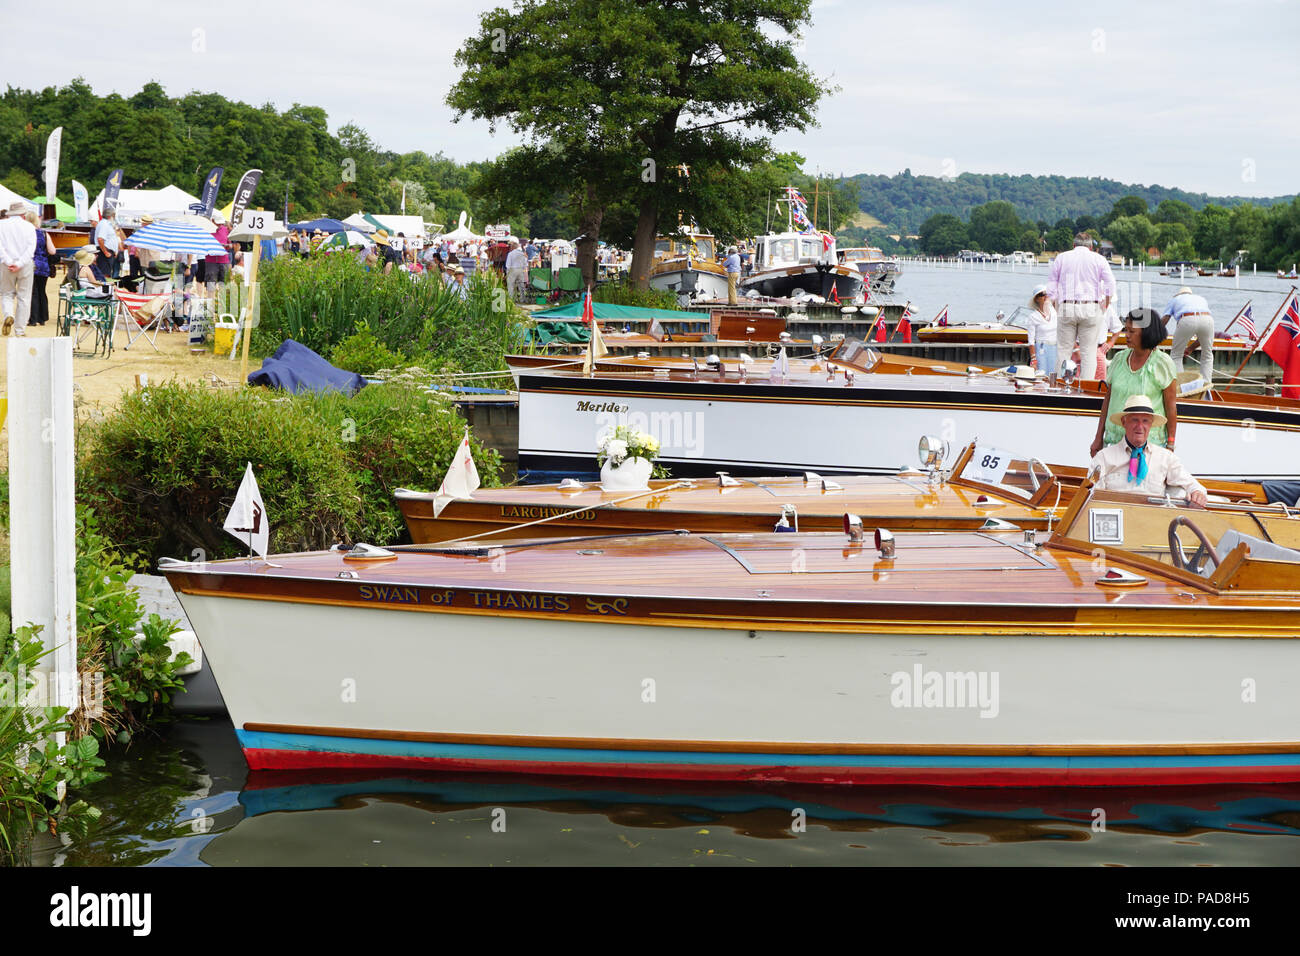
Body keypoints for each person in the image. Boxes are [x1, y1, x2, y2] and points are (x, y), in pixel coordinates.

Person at [1090, 307, 1178, 458]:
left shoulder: (1162, 363)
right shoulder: (1119, 359)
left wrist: (1170, 444)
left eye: (1132, 332)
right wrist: (1099, 437)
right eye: (1126, 330)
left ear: (1146, 333)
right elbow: (1108, 400)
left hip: (1149, 445)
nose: (1126, 336)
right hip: (1114, 442)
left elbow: (1171, 407)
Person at [1089, 395, 1207, 507]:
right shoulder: (1103, 458)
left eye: (1145, 421)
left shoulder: (1166, 458)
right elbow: (1090, 493)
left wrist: (1197, 493)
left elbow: (1194, 486)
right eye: (1135, 420)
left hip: (1153, 522)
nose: (1140, 426)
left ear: (1151, 425)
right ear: (1124, 422)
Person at [1047, 232, 1115, 380]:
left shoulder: (1062, 258)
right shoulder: (1099, 259)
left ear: (1074, 245)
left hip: (1067, 305)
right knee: (1089, 353)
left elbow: (1051, 286)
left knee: (1063, 351)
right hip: (1091, 306)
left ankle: (1059, 383)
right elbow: (1110, 283)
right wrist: (1106, 303)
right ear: (1091, 247)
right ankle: (1085, 387)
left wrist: (1055, 305)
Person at [1163, 286, 1215, 384]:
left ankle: (1181, 386)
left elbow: (1165, 318)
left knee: (1176, 355)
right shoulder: (1201, 299)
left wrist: (1152, 334)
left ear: (1179, 294)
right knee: (1208, 355)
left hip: (1187, 319)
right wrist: (1190, 348)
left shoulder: (1175, 299)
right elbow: (1201, 332)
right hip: (1208, 319)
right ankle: (1206, 386)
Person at [0, 202, 36, 336]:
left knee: (6, 293)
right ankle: (20, 330)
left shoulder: (1, 225)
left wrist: (9, 261)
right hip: (25, 264)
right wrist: (20, 263)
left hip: (5, 264)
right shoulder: (29, 227)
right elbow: (30, 248)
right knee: (24, 297)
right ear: (23, 213)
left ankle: (8, 314)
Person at [27, 210, 56, 326]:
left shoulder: (27, 233)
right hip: (43, 265)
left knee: (33, 292)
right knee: (42, 291)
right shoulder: (44, 233)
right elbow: (52, 251)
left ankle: (33, 319)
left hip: (31, 265)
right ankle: (42, 318)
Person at [1025, 284, 1057, 376]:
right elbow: (1031, 341)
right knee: (1042, 375)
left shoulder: (1055, 312)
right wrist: (1033, 359)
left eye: (1047, 294)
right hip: (1041, 349)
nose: (1046, 296)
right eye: (1042, 294)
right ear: (1037, 299)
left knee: (1055, 375)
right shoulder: (1033, 317)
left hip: (1055, 348)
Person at [93, 205, 121, 280]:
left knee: (107, 273)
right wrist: (106, 252)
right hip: (104, 252)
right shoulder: (104, 224)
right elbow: (100, 239)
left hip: (107, 251)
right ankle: (103, 289)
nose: (114, 218)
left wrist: (114, 251)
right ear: (110, 216)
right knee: (104, 274)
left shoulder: (106, 224)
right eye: (114, 216)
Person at [206, 212, 231, 292]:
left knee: (225, 284)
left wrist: (228, 245)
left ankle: (223, 302)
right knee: (211, 284)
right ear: (212, 220)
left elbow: (230, 243)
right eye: (218, 223)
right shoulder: (207, 230)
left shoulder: (225, 229)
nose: (220, 225)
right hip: (211, 261)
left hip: (224, 260)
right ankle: (211, 302)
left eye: (221, 223)